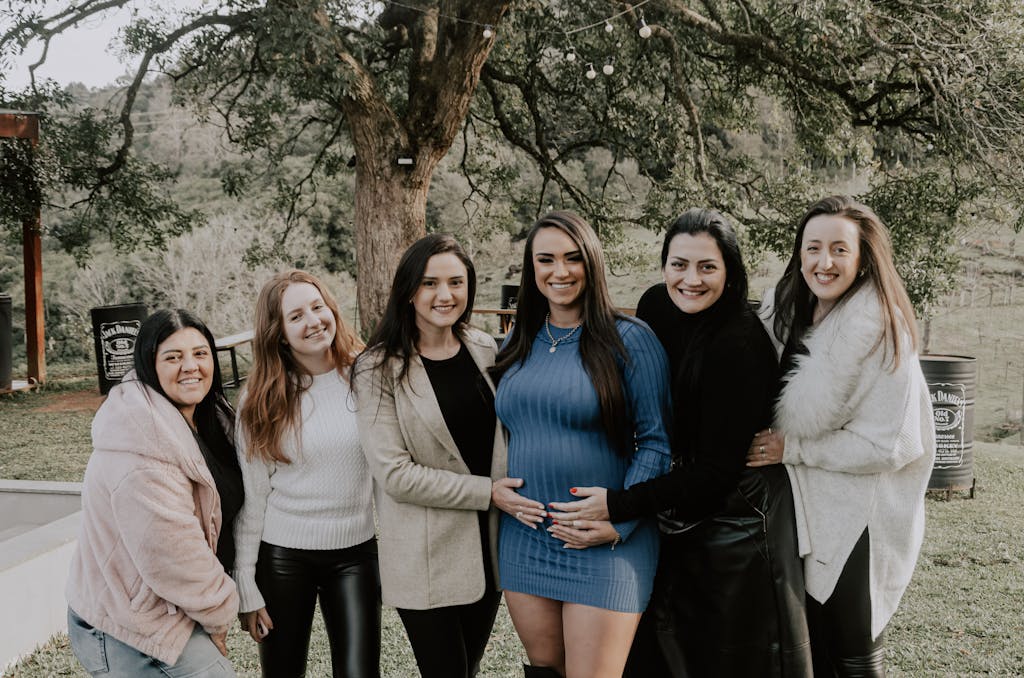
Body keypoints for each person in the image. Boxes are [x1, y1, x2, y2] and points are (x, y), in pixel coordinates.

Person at [548, 209, 813, 677]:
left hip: (734, 527)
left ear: (730, 272)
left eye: (707, 267)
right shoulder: (654, 307)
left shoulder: (741, 346)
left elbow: (714, 474)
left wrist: (620, 506)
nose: (690, 279)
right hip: (672, 505)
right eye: (678, 264)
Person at [746, 195, 935, 676]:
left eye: (838, 250)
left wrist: (795, 447)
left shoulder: (881, 330)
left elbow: (892, 445)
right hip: (801, 504)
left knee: (852, 651)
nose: (823, 262)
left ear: (864, 258)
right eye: (812, 248)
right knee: (811, 649)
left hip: (858, 514)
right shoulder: (784, 312)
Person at [491, 210, 672, 678]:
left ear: (592, 263)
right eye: (546, 260)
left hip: (606, 543)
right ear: (532, 270)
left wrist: (620, 520)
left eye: (573, 258)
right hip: (526, 537)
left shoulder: (629, 339)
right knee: (545, 672)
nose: (560, 271)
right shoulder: (517, 342)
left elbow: (656, 444)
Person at [352, 234, 513, 678]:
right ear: (408, 290)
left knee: (470, 667)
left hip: (490, 549)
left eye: (456, 282)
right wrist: (489, 492)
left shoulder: (485, 348)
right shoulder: (377, 368)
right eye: (430, 283)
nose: (446, 295)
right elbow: (395, 473)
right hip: (425, 557)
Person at [66, 309, 240, 677]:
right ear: (149, 364)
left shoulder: (211, 419)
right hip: (131, 622)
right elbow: (172, 555)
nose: (190, 366)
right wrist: (221, 614)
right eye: (173, 357)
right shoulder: (143, 445)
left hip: (176, 604)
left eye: (200, 353)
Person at [234, 270, 380, 678]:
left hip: (356, 552)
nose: (313, 321)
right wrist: (246, 583)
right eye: (296, 316)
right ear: (279, 332)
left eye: (318, 307)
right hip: (283, 557)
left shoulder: (367, 376)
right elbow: (253, 495)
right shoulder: (259, 398)